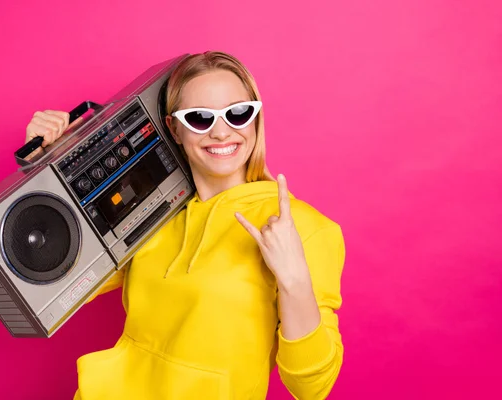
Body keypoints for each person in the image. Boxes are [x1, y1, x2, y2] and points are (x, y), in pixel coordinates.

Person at [25, 51, 346, 400]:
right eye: (199, 118)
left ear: (255, 119)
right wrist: (46, 166)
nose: (222, 132)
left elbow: (312, 387)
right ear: (175, 129)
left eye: (238, 113)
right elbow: (59, 290)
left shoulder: (301, 228)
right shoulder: (148, 217)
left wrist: (294, 280)